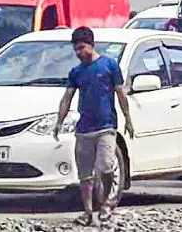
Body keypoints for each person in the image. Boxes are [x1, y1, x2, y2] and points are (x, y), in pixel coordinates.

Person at [54, 26, 134, 226]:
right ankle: (88, 211)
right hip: (84, 129)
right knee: (85, 175)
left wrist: (128, 119)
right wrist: (59, 121)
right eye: (76, 50)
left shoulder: (109, 65)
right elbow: (67, 98)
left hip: (106, 125)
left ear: (92, 45)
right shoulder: (76, 72)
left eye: (82, 48)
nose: (79, 53)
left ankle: (107, 203)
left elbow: (121, 94)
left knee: (106, 167)